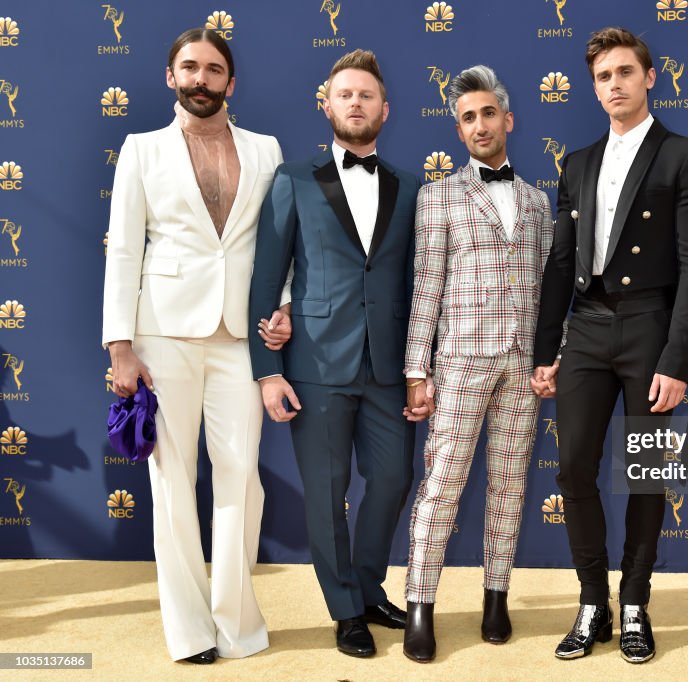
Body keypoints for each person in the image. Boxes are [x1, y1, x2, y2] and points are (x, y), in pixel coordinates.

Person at [102, 28, 287, 664]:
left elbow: (276, 243)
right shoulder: (141, 149)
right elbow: (124, 248)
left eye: (214, 69)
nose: (201, 79)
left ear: (230, 83)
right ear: (171, 77)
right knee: (172, 482)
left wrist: (282, 307)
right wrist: (119, 345)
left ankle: (237, 625)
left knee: (241, 477)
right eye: (190, 68)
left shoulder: (265, 150)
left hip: (240, 334)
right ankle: (189, 632)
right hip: (163, 332)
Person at [532, 27, 688, 664]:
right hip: (584, 327)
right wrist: (544, 351)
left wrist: (676, 358)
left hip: (650, 327)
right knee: (574, 466)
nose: (615, 84)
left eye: (625, 73)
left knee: (643, 475)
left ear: (650, 78)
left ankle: (635, 601)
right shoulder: (576, 163)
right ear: (594, 86)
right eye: (604, 76)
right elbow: (559, 265)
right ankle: (593, 601)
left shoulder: (682, 155)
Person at [248, 50, 419, 658]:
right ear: (327, 105)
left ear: (385, 109)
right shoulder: (294, 179)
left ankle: (367, 586)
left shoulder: (411, 186)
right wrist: (267, 370)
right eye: (344, 93)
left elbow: (416, 284)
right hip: (315, 364)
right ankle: (345, 609)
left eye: (366, 95)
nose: (355, 102)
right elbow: (267, 280)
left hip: (390, 367)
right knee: (325, 493)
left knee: (395, 478)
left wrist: (420, 366)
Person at [401, 65, 553, 663]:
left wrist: (550, 357)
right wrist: (418, 370)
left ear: (507, 120)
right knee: (441, 485)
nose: (479, 125)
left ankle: (497, 595)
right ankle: (420, 603)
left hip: (521, 365)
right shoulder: (437, 196)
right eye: (467, 117)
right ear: (459, 131)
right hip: (460, 362)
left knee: (510, 487)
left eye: (488, 113)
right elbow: (426, 287)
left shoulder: (539, 202)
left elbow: (548, 288)